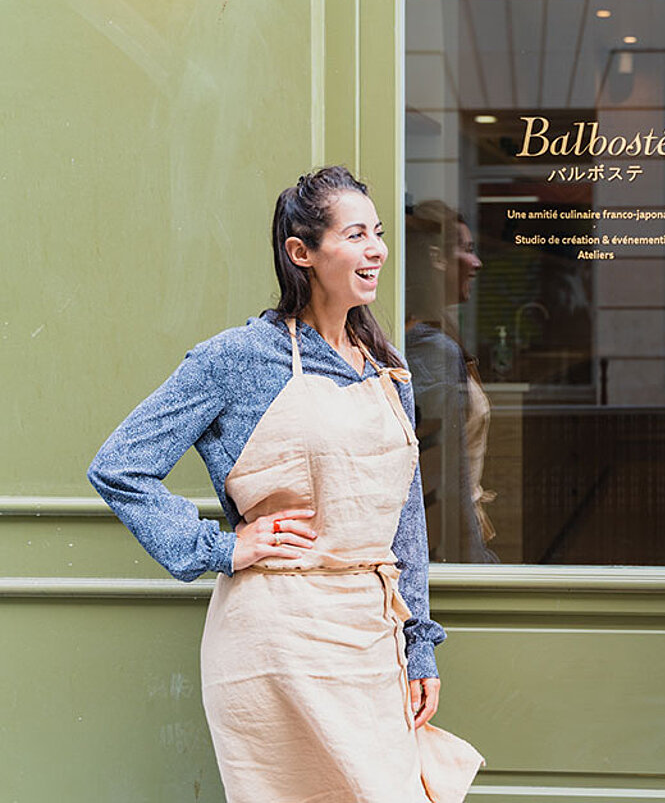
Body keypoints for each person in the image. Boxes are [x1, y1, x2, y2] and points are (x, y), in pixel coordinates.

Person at [88, 166, 452, 801]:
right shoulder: (236, 358)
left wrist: (419, 645)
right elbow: (119, 464)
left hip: (371, 636)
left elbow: (406, 519)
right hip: (278, 639)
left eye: (379, 233)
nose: (377, 251)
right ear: (301, 253)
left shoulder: (389, 369)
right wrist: (222, 548)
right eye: (357, 234)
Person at [404, 199, 499, 563]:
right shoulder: (432, 351)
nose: (476, 263)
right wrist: (473, 561)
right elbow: (444, 478)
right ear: (433, 259)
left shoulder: (441, 337)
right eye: (466, 249)